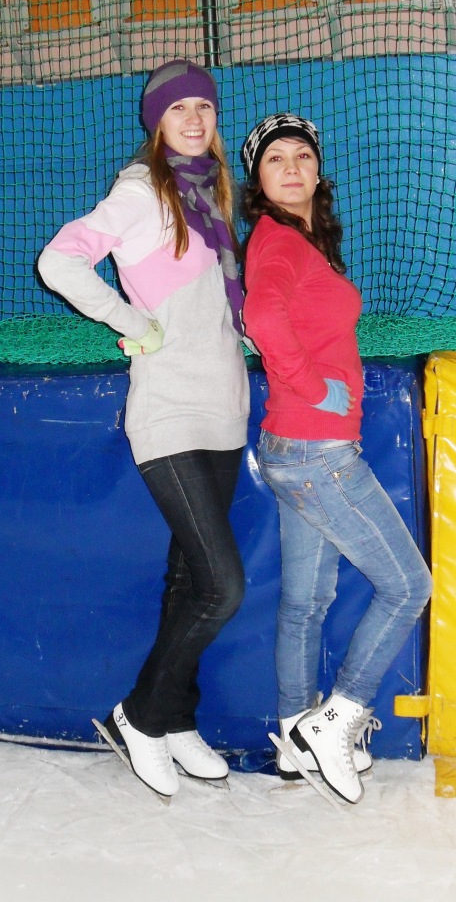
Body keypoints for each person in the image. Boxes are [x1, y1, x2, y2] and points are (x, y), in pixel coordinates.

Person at [38, 59, 250, 799]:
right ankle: (139, 715)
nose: (193, 119)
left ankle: (175, 719)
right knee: (224, 587)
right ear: (156, 123)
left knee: (189, 580)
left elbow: (218, 307)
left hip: (225, 409)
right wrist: (130, 320)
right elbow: (59, 260)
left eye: (204, 107)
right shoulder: (140, 192)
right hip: (168, 411)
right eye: (177, 109)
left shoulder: (214, 196)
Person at [241, 113, 432, 805]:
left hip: (295, 446)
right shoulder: (277, 242)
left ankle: (296, 738)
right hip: (316, 448)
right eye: (275, 160)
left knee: (306, 602)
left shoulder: (299, 242)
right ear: (258, 181)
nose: (291, 167)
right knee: (409, 587)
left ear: (318, 170)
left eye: (302, 155)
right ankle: (339, 716)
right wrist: (311, 386)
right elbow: (262, 319)